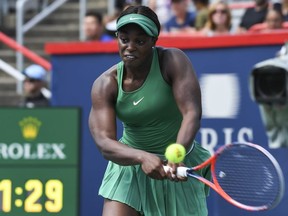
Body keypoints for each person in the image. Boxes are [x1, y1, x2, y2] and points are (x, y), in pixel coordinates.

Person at [88, 5, 211, 216]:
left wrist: (177, 152)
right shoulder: (105, 84)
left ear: (154, 41)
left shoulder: (172, 61)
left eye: (140, 41)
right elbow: (104, 143)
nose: (130, 47)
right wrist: (142, 157)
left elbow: (192, 113)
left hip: (177, 162)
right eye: (124, 39)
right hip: (130, 167)